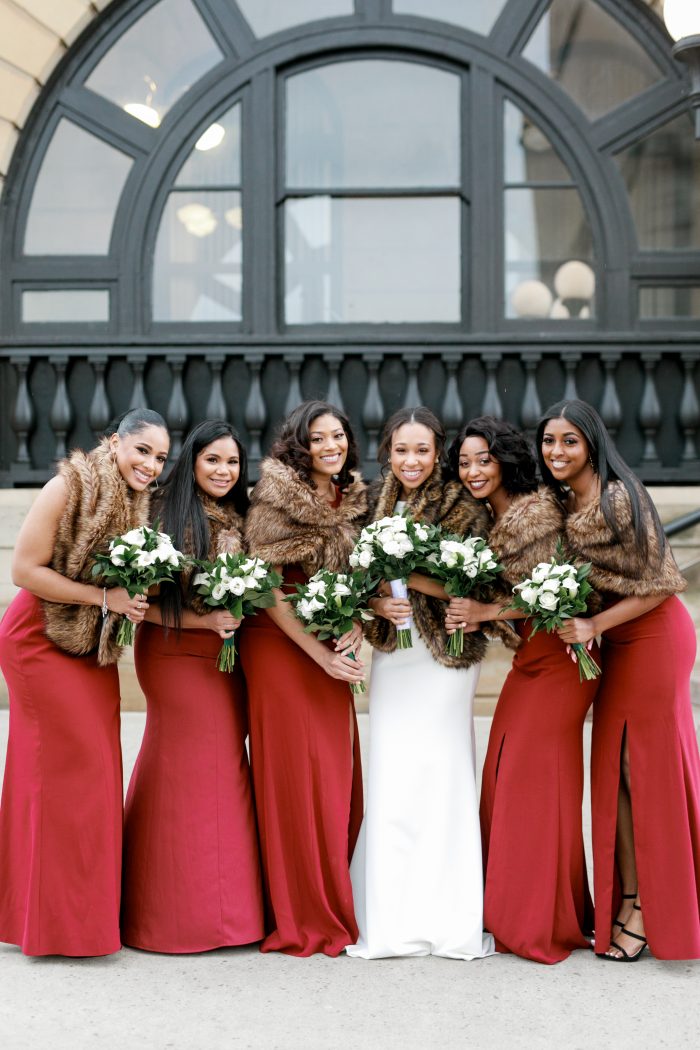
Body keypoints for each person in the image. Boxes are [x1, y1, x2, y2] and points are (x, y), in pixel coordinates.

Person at [0, 408, 169, 957]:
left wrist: (135, 596)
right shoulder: (67, 485)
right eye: (142, 450)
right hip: (37, 641)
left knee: (96, 775)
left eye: (161, 458)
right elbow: (25, 571)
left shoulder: (136, 505)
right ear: (115, 440)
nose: (150, 464)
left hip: (86, 645)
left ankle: (82, 917)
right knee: (57, 777)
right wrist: (105, 598)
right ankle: (51, 925)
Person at [537, 398, 700, 961]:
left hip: (654, 639)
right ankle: (631, 896)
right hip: (615, 643)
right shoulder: (562, 501)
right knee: (617, 776)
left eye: (568, 442)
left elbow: (663, 582)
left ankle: (655, 908)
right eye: (549, 441)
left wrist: (592, 624)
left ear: (592, 445)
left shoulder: (617, 497)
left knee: (642, 771)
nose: (556, 451)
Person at [443, 417, 598, 964]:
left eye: (483, 459)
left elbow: (557, 592)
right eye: (464, 461)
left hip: (561, 656)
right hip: (529, 659)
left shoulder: (536, 512)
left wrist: (487, 610)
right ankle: (524, 908)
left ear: (506, 459)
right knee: (504, 775)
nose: (473, 470)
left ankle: (541, 923)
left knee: (534, 784)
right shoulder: (489, 517)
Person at [347, 407, 494, 960]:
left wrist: (407, 574)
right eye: (401, 450)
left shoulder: (462, 505)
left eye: (423, 450)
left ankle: (447, 913)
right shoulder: (372, 502)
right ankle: (388, 914)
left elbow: (473, 577)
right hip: (394, 654)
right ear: (388, 452)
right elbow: (362, 579)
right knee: (392, 772)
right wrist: (375, 601)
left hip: (445, 659)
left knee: (442, 772)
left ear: (437, 452)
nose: (412, 461)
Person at [120, 420, 264, 953]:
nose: (224, 471)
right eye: (213, 461)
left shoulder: (246, 518)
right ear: (191, 463)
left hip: (226, 658)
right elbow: (138, 604)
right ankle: (166, 915)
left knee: (226, 767)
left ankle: (231, 910)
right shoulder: (161, 514)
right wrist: (206, 623)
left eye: (233, 463)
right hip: (175, 652)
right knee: (185, 767)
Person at [240, 400, 367, 957]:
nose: (331, 446)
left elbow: (364, 576)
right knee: (294, 776)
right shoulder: (275, 497)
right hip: (283, 648)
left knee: (333, 775)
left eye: (338, 436)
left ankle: (335, 893)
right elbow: (265, 590)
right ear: (299, 444)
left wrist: (358, 624)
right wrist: (318, 655)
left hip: (330, 645)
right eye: (318, 439)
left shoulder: (354, 497)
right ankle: (299, 912)